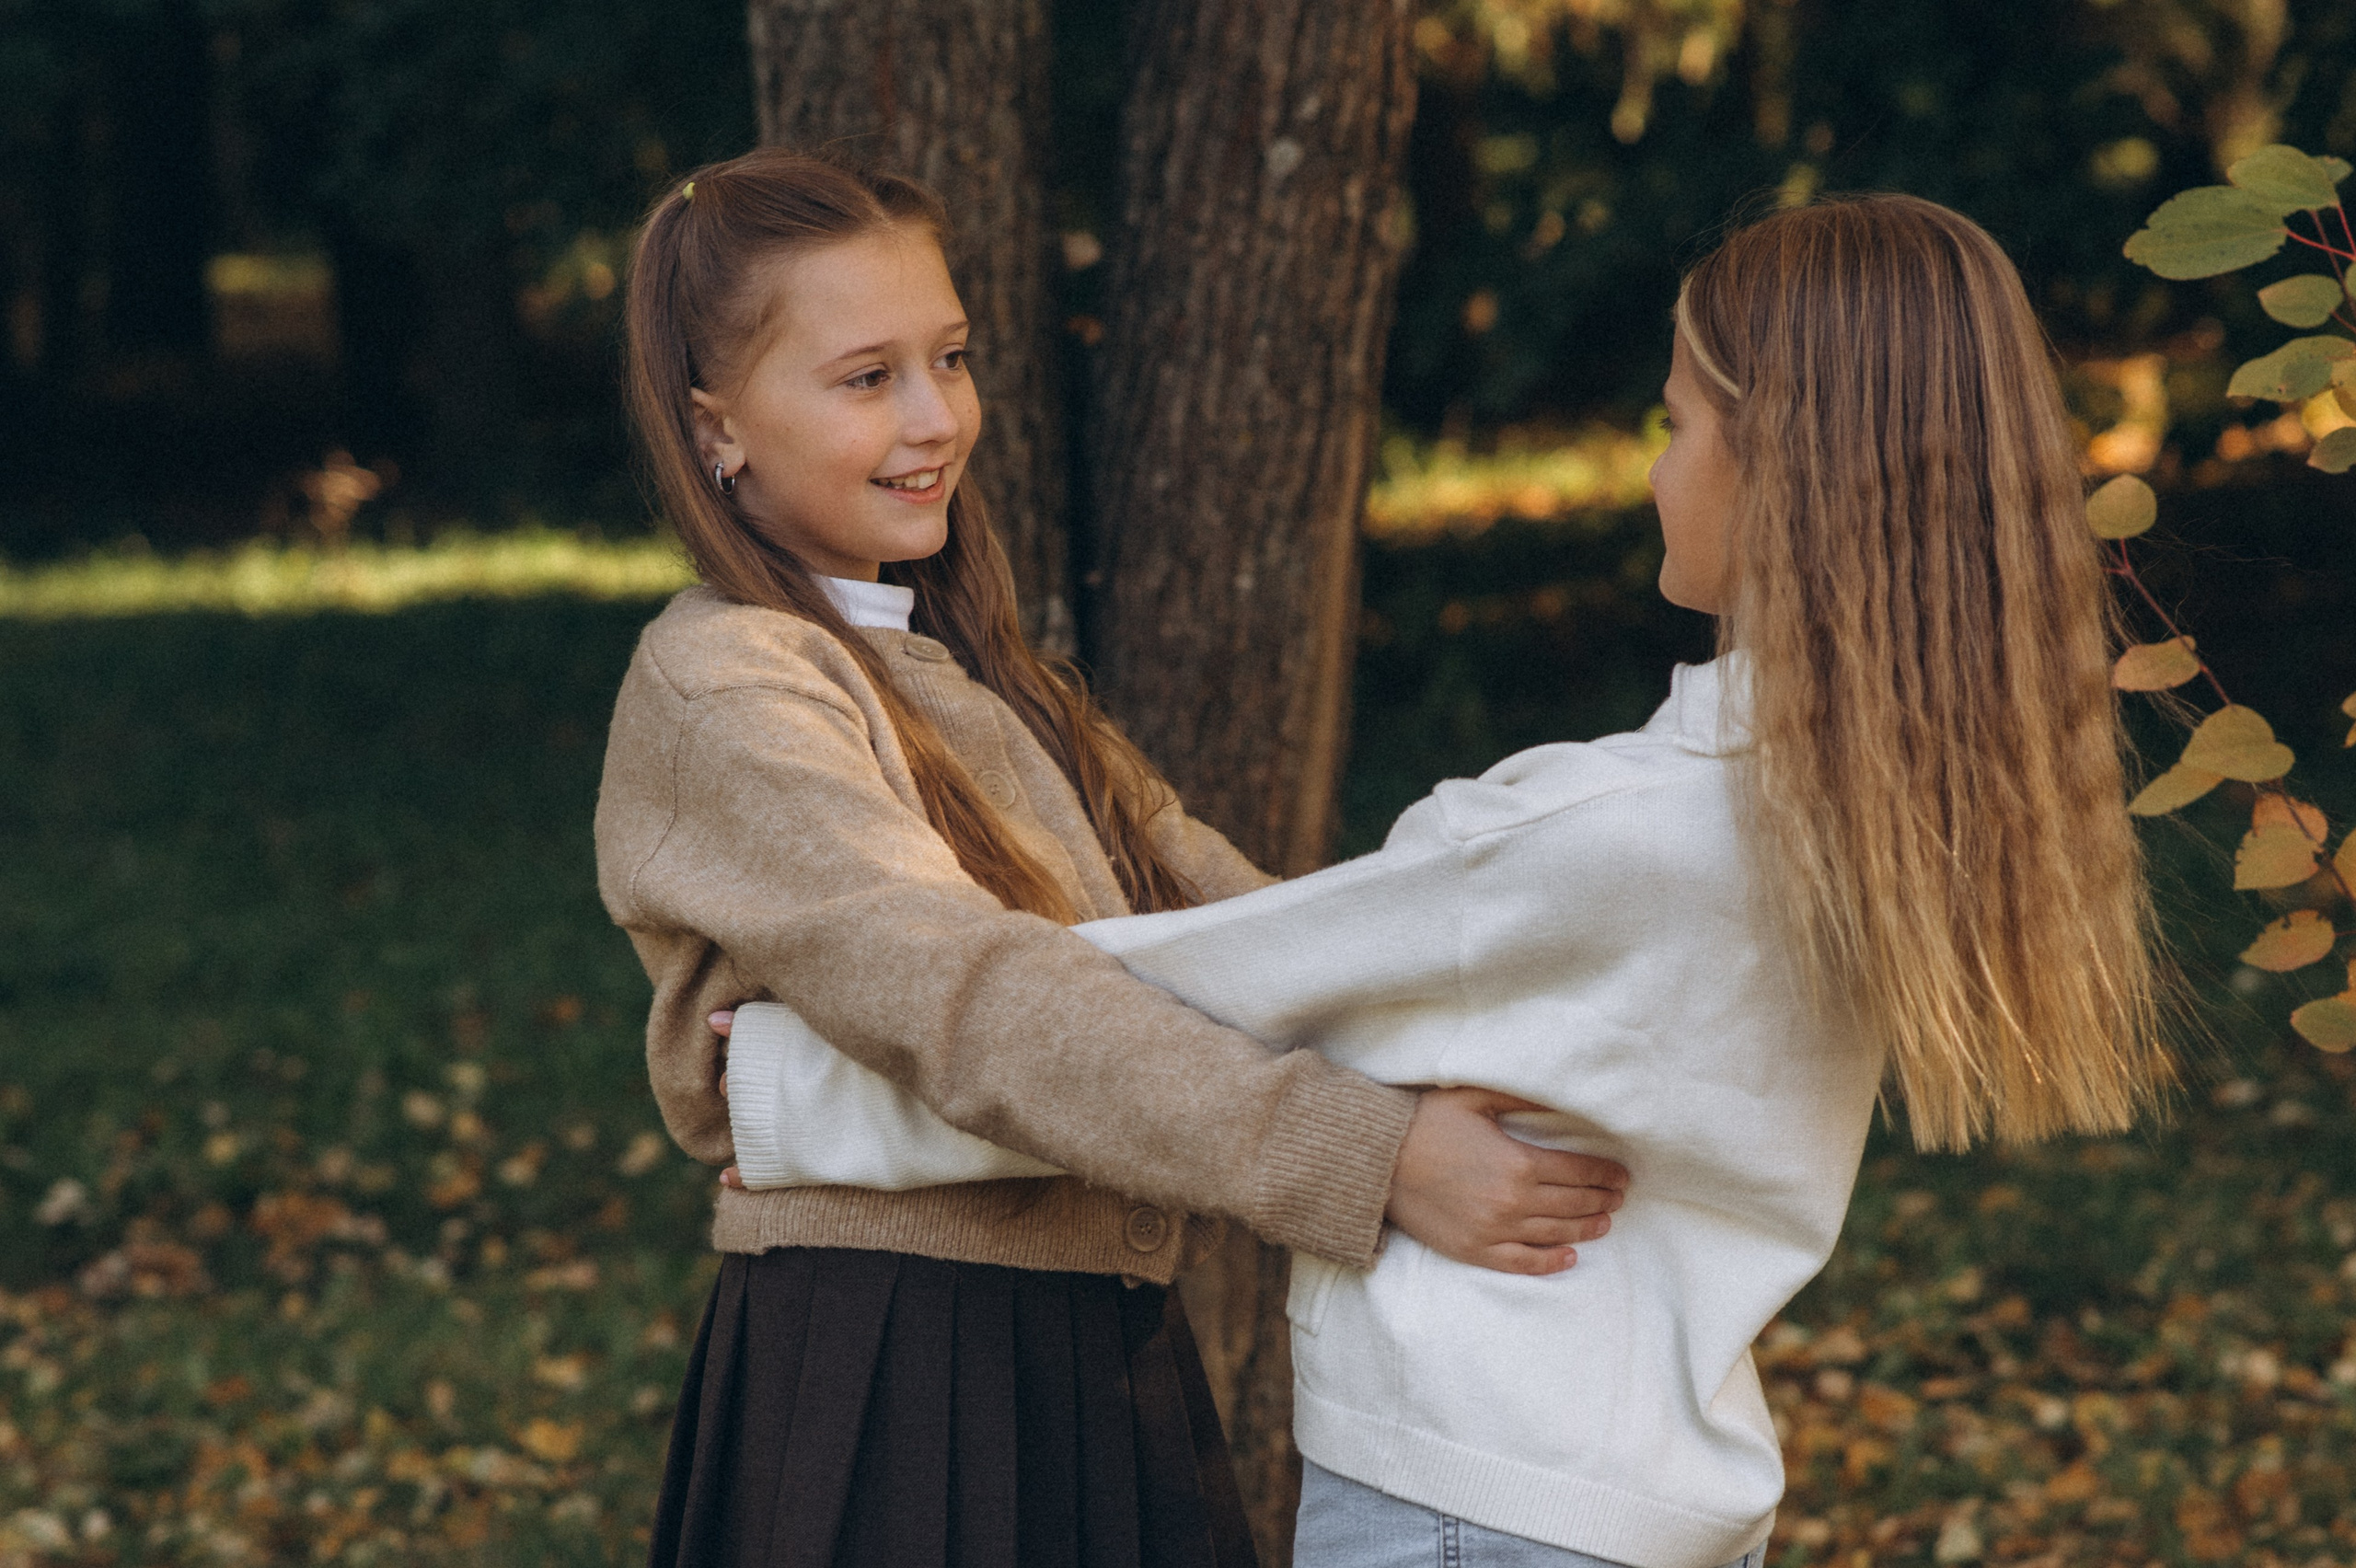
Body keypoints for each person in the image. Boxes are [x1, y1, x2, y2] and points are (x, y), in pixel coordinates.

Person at [720, 193, 2175, 1568]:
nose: (1658, 467)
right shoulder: (1862, 814)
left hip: (1476, 1510)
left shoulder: (1610, 838)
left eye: (1673, 424)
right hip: (1662, 1489)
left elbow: (1199, 1007)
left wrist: (787, 1091)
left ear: (1779, 464)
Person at [594, 146, 1632, 1568]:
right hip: (896, 1367)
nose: (936, 416)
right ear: (718, 431)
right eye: (865, 378)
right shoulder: (725, 684)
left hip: (1094, 1352)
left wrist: (1448, 1046)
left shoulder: (993, 681)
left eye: (950, 358)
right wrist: (1365, 1152)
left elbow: (1244, 926)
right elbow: (972, 996)